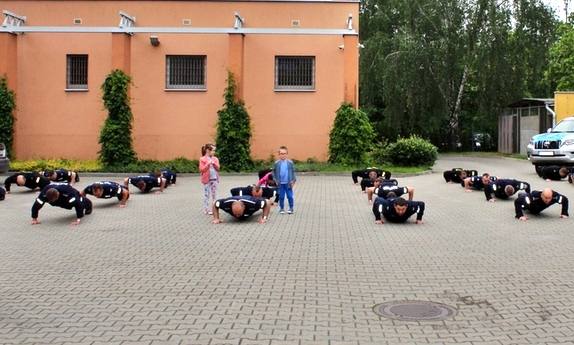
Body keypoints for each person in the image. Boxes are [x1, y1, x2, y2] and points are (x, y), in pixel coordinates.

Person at [273, 146, 297, 214]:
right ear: (279, 154)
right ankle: (282, 208)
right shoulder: (277, 163)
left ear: (287, 154)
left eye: (284, 153)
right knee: (281, 196)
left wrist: (293, 180)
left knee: (289, 196)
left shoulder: (290, 163)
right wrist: (275, 180)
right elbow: (273, 172)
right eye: (281, 153)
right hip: (280, 184)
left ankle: (291, 208)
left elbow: (293, 171)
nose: (283, 155)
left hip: (288, 183)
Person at [199, 143, 220, 215]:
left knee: (215, 195)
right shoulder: (202, 159)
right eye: (213, 150)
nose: (214, 152)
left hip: (214, 179)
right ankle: (207, 209)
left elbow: (218, 168)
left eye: (214, 150)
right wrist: (207, 164)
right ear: (208, 150)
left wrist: (214, 164)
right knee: (207, 194)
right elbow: (202, 169)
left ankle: (215, 209)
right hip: (207, 180)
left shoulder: (215, 159)